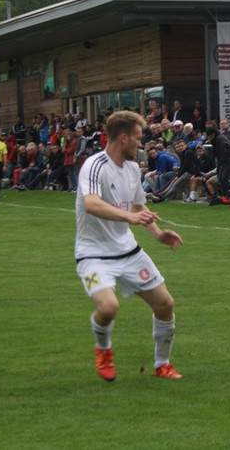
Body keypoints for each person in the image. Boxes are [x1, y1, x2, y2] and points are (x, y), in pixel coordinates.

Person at [74, 110, 184, 381]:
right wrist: (131, 217)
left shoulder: (134, 168)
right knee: (108, 308)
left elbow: (137, 206)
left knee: (165, 304)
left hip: (129, 252)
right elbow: (91, 204)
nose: (141, 143)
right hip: (93, 255)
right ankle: (103, 350)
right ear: (123, 138)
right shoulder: (94, 165)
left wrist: (157, 234)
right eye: (137, 137)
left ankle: (162, 365)